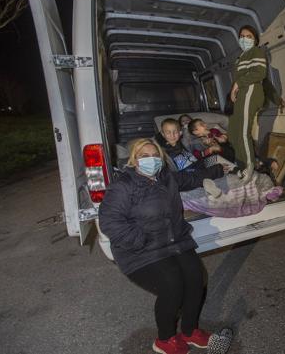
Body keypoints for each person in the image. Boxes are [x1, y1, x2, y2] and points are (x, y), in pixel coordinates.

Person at [98, 138, 232, 354]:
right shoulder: (123, 186)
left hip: (174, 241)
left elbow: (191, 178)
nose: (150, 159)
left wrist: (218, 170)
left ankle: (190, 331)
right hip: (141, 250)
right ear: (134, 160)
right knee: (172, 284)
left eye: (155, 155)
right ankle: (165, 339)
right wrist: (140, 240)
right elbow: (109, 221)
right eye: (143, 156)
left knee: (196, 277)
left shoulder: (166, 177)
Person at [229, 25, 268, 183]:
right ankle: (241, 164)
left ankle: (250, 166)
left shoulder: (256, 51)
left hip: (251, 91)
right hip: (243, 94)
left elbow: (260, 73)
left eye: (249, 36)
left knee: (244, 131)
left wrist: (237, 85)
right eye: (242, 36)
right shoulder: (240, 57)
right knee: (234, 132)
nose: (245, 39)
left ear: (255, 39)